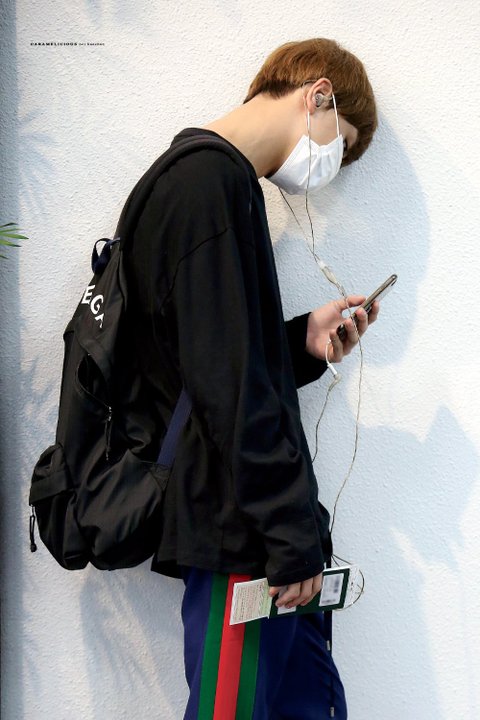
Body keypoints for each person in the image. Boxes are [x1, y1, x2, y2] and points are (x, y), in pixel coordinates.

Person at [124, 37, 378, 720]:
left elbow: (215, 361)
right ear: (318, 95)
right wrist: (290, 535)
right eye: (342, 145)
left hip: (258, 533)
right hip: (243, 538)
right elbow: (228, 390)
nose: (331, 166)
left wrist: (300, 343)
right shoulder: (206, 185)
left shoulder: (217, 185)